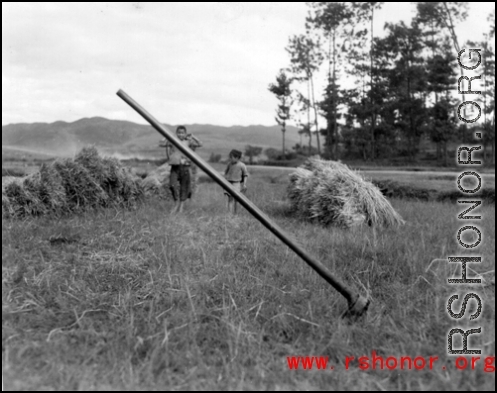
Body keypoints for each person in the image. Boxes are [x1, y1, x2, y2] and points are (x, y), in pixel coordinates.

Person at [161, 125, 202, 213]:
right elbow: (161, 143)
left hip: (185, 166)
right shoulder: (172, 141)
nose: (181, 135)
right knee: (172, 185)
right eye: (179, 133)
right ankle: (176, 202)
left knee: (184, 187)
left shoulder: (188, 142)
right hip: (175, 166)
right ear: (176, 133)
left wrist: (193, 136)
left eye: (182, 133)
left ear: (185, 134)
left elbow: (200, 144)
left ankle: (181, 208)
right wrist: (167, 135)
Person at [224, 149, 249, 215]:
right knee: (230, 199)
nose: (230, 159)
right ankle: (229, 215)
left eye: (231, 157)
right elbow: (226, 173)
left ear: (237, 157)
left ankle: (235, 214)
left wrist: (244, 184)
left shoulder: (242, 165)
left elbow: (245, 175)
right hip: (229, 183)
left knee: (236, 199)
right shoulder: (229, 164)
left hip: (236, 183)